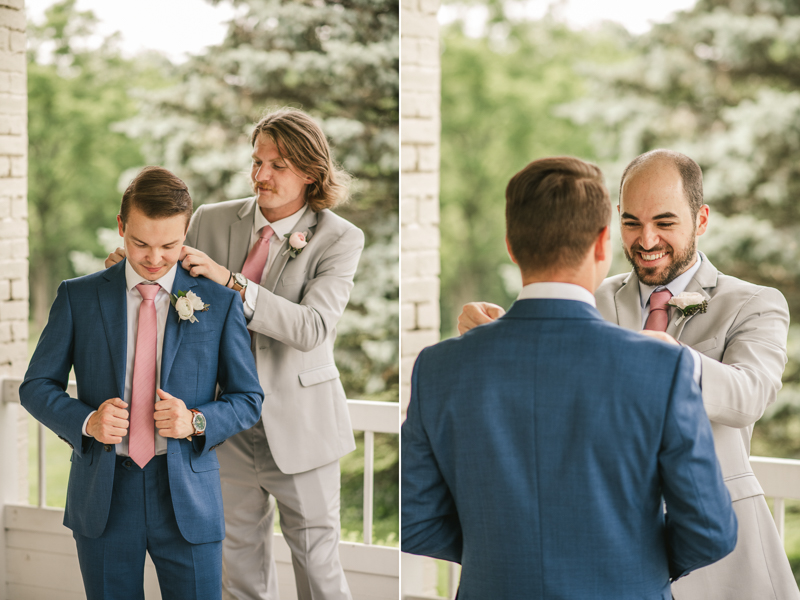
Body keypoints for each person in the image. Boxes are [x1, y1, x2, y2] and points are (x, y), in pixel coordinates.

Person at [459, 149, 800, 600]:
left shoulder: (754, 303)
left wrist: (669, 357)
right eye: (632, 222)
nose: (647, 239)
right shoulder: (591, 296)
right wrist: (497, 333)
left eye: (665, 222)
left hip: (719, 556)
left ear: (701, 220)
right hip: (610, 553)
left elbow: (748, 396)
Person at [403, 156, 737, 599]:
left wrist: (505, 555)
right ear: (603, 242)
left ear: (511, 244)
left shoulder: (438, 367)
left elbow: (415, 519)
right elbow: (711, 530)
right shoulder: (663, 367)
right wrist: (634, 562)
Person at [106, 108, 363, 600]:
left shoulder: (340, 237)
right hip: (223, 424)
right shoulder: (211, 219)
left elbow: (312, 329)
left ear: (311, 173)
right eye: (257, 161)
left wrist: (232, 281)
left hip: (302, 428)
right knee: (237, 568)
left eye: (278, 165)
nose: (260, 175)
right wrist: (136, 263)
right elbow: (166, 279)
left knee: (320, 570)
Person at [20, 166, 264, 600]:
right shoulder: (78, 297)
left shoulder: (220, 302)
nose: (154, 258)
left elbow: (248, 399)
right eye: (140, 243)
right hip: (104, 499)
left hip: (189, 499)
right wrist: (87, 421)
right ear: (121, 226)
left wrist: (196, 421)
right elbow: (36, 385)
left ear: (187, 230)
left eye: (169, 245)